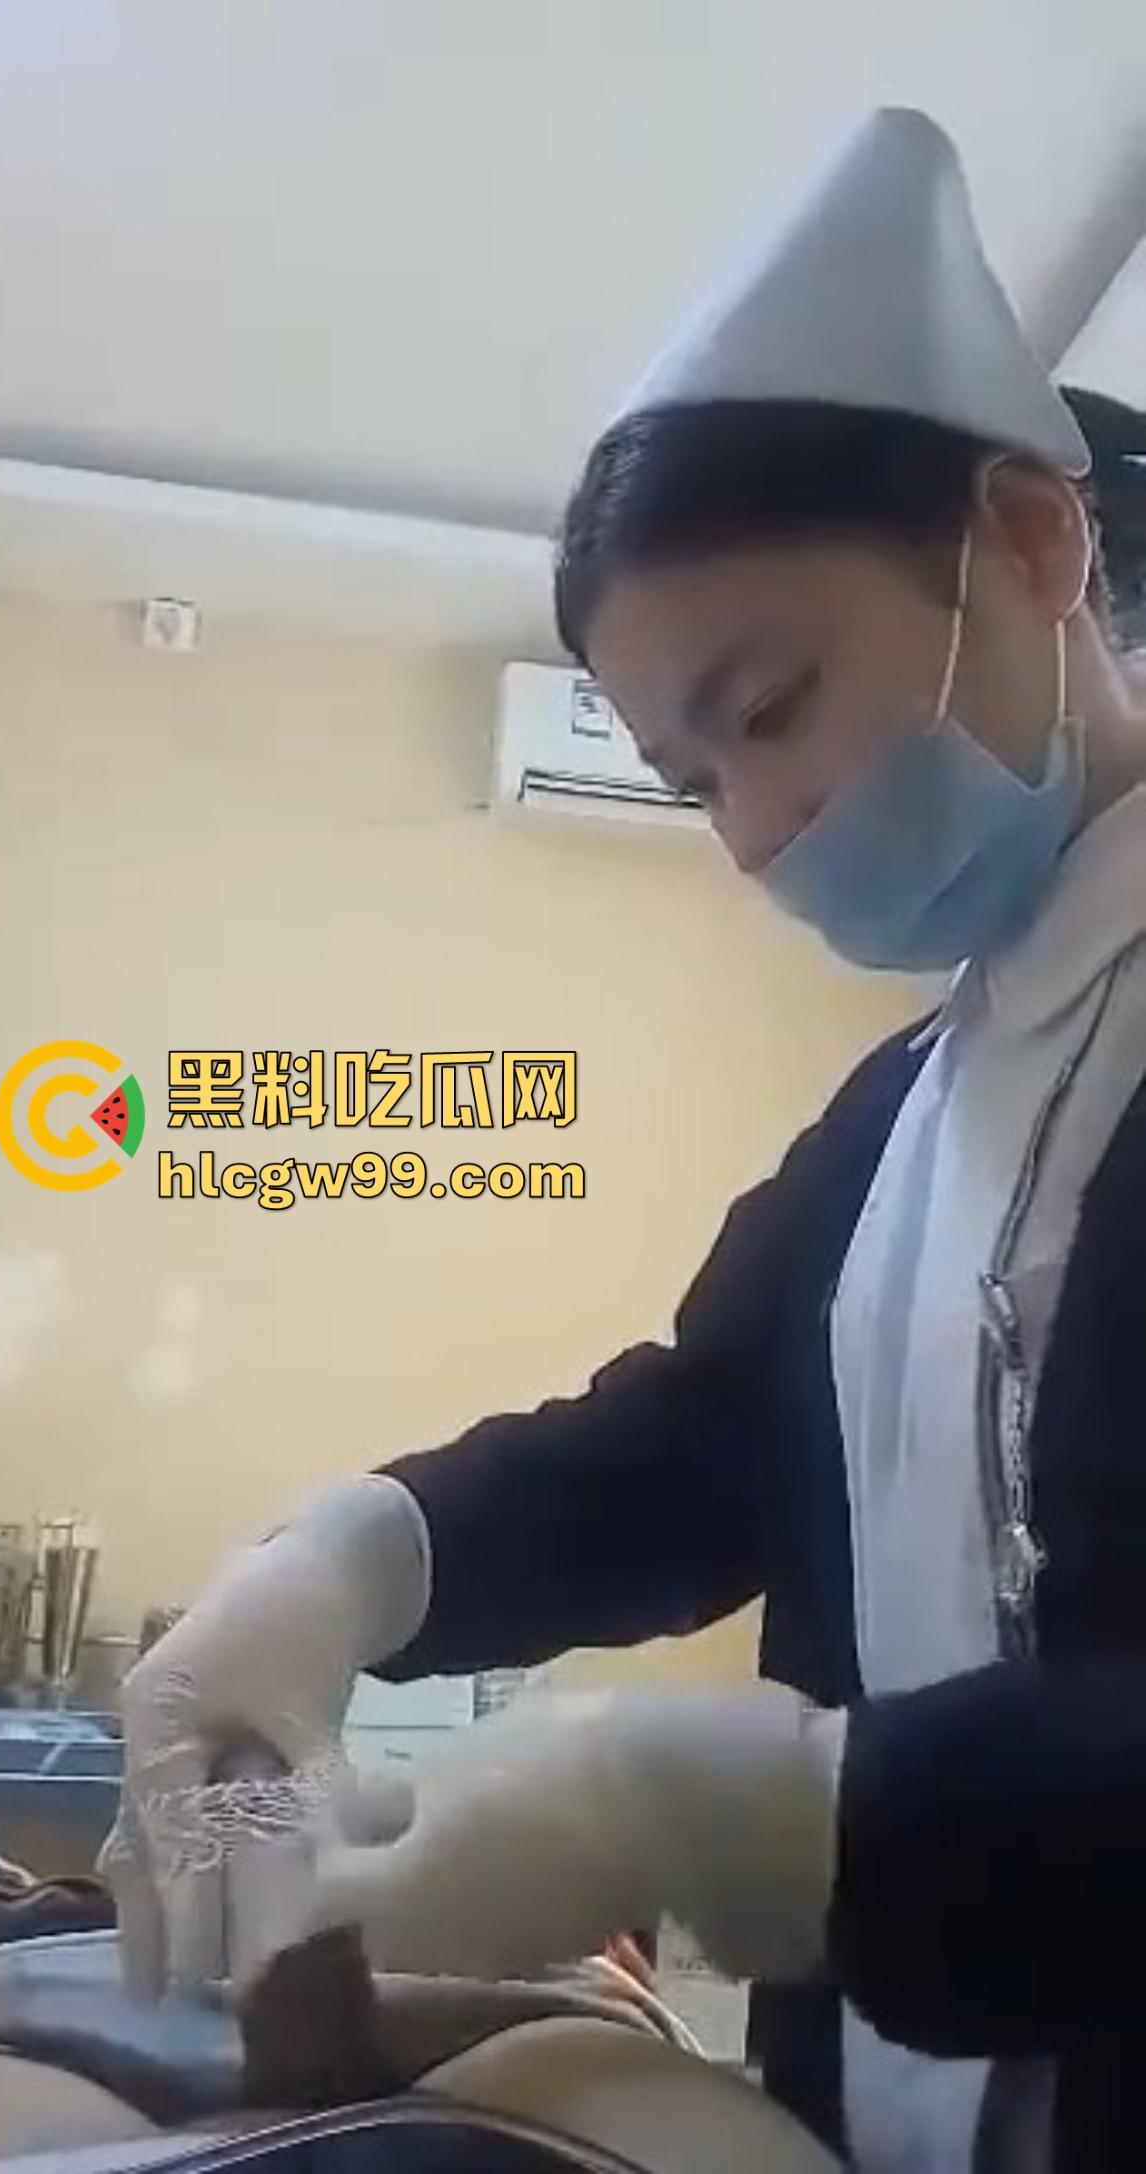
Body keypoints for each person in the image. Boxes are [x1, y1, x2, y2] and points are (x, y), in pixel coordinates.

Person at [108, 109, 1146, 2174]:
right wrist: (346, 1563)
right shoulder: (906, 1112)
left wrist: (727, 1815)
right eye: (689, 781)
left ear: (1033, 543)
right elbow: (695, 1447)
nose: (753, 834)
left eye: (767, 710)